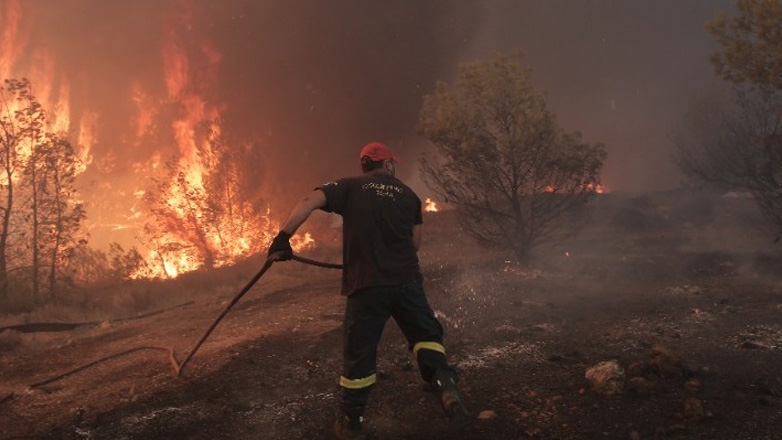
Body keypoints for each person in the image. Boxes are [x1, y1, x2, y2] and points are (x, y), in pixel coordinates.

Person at [267, 142, 467, 439]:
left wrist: (282, 238)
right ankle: (445, 387)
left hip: (367, 284)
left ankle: (352, 421)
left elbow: (308, 200)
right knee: (426, 336)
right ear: (387, 165)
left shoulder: (348, 187)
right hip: (406, 281)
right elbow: (414, 244)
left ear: (364, 165)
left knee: (360, 352)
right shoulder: (410, 196)